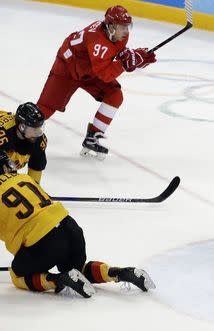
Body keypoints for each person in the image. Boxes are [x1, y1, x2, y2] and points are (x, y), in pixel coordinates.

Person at [0, 153, 155, 298]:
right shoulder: (25, 179)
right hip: (70, 228)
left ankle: (58, 280)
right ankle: (117, 273)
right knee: (77, 270)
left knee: (17, 275)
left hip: (44, 243)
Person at [36, 5, 157, 160]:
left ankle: (92, 137)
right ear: (111, 27)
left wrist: (134, 58)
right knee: (44, 110)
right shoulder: (97, 42)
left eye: (128, 26)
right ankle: (13, 134)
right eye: (122, 27)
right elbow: (105, 74)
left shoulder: (119, 35)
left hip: (91, 69)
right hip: (67, 68)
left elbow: (115, 53)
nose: (126, 31)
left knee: (114, 95)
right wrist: (124, 64)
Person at [0, 102, 46, 184]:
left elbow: (36, 166)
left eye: (40, 128)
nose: (38, 132)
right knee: (6, 167)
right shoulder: (3, 134)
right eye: (35, 129)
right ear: (22, 127)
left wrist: (33, 191)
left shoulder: (38, 140)